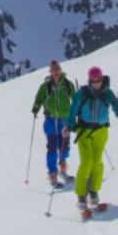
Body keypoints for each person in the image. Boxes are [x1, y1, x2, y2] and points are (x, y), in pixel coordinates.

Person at [65, 65, 118, 216]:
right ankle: (81, 195)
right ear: (89, 80)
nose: (96, 83)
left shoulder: (108, 93)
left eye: (98, 80)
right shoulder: (82, 93)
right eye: (93, 80)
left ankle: (93, 192)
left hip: (101, 131)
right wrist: (69, 126)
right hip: (84, 131)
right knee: (87, 161)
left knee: (98, 162)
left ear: (102, 79)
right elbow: (73, 110)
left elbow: (116, 110)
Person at [30, 60, 75, 188]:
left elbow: (75, 98)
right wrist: (35, 108)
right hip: (50, 121)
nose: (55, 72)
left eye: (57, 69)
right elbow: (39, 98)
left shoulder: (67, 84)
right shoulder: (46, 86)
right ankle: (52, 174)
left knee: (64, 148)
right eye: (53, 70)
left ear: (60, 70)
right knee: (52, 148)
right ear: (50, 72)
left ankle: (63, 170)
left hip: (64, 120)